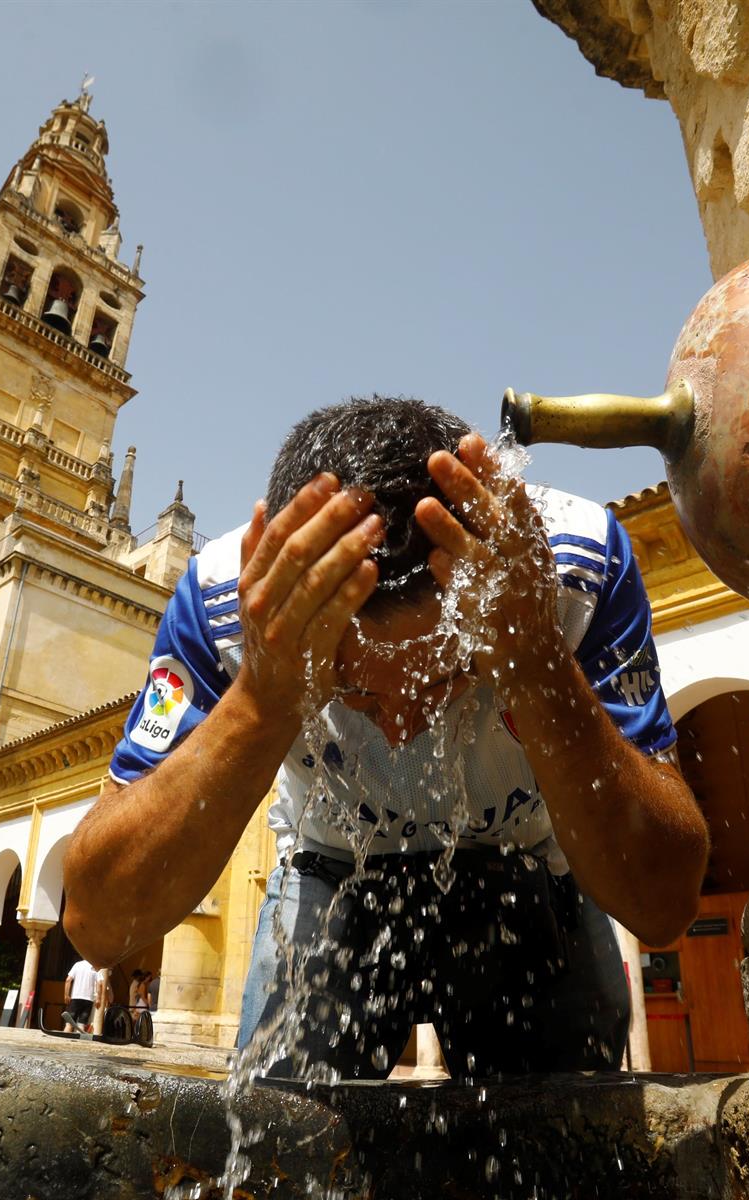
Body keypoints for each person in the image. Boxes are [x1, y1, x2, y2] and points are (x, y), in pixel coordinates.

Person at [63, 396, 710, 1080]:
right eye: (357, 692)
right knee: (282, 1149)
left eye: (447, 681)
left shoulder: (568, 572)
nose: (403, 729)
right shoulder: (232, 608)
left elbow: (662, 904)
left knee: (570, 1143)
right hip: (330, 864)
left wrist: (540, 668)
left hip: (527, 859)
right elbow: (101, 926)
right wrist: (261, 698)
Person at [63, 956, 100, 1033]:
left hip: (75, 998)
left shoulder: (77, 965)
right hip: (88, 1000)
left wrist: (66, 995)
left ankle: (63, 1042)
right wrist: (98, 998)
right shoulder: (95, 967)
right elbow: (99, 983)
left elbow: (68, 980)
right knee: (81, 1025)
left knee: (69, 1024)